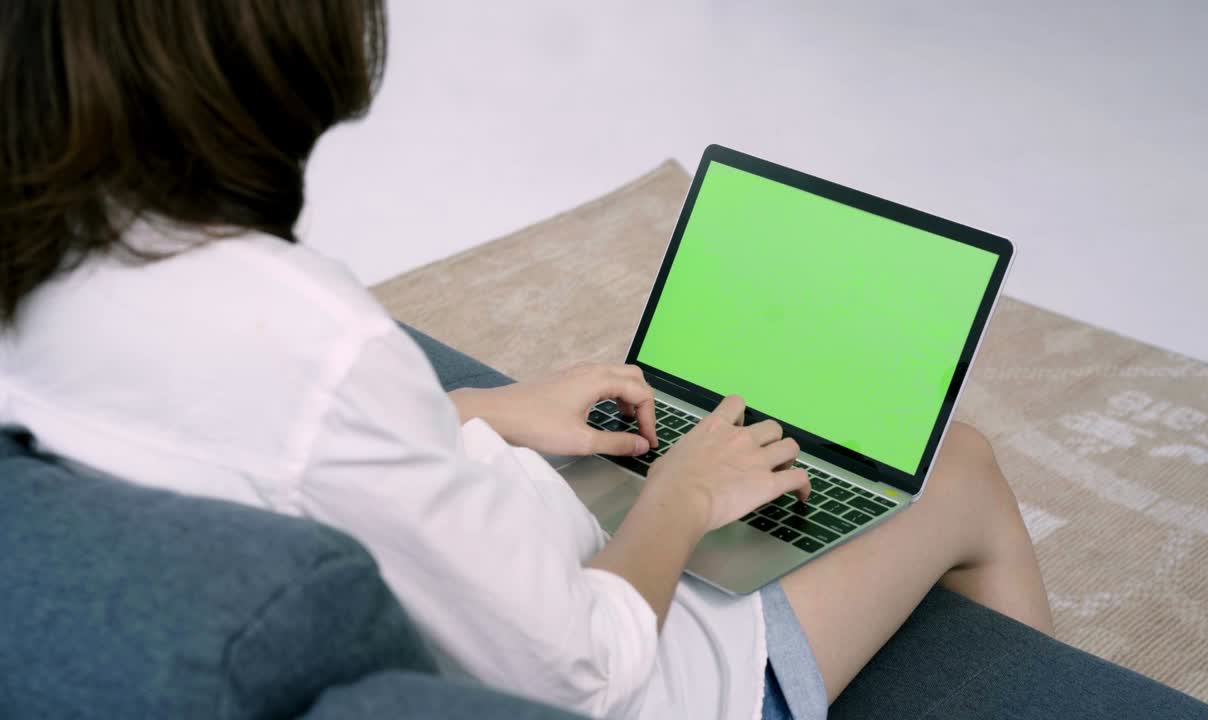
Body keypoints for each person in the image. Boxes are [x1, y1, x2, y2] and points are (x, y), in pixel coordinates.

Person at [0, 2, 1052, 719]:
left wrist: (480, 411)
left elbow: (265, 462)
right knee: (956, 465)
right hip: (648, 679)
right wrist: (679, 499)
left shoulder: (40, 274)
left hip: (509, 554)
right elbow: (587, 672)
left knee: (657, 443)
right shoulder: (312, 339)